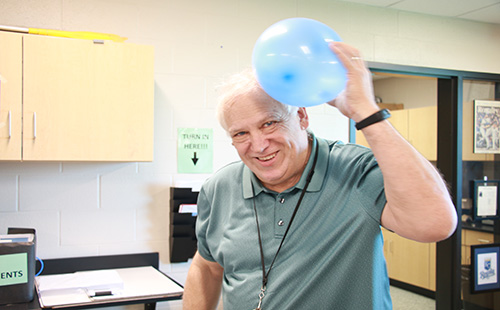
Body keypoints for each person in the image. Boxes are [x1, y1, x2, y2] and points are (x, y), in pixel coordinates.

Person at [182, 41, 457, 310]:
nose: (259, 145)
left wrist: (366, 112)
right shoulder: (219, 188)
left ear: (301, 116)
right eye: (241, 133)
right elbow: (207, 266)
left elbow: (435, 223)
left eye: (269, 123)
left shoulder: (356, 170)